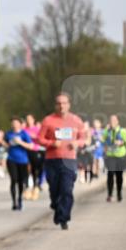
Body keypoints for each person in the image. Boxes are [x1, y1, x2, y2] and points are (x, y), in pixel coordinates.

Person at [38, 92, 86, 230]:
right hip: (52, 160)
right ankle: (56, 206)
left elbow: (84, 138)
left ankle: (63, 218)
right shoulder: (48, 120)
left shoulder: (76, 120)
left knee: (66, 189)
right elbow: (39, 139)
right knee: (54, 190)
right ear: (55, 105)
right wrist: (52, 143)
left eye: (64, 103)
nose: (61, 106)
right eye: (59, 103)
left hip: (69, 160)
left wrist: (77, 143)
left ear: (69, 105)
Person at [4, 116, 36, 210]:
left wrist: (20, 142)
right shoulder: (8, 134)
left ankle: (20, 200)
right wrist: (5, 143)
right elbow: (5, 144)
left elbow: (31, 146)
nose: (13, 124)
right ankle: (14, 202)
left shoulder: (24, 134)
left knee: (21, 182)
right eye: (12, 123)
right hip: (11, 159)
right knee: (13, 180)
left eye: (15, 122)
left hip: (23, 160)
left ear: (19, 124)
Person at [103, 114, 126, 202]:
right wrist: (105, 145)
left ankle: (119, 193)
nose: (112, 122)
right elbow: (102, 140)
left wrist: (122, 142)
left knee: (119, 175)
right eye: (110, 120)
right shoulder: (107, 131)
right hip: (110, 156)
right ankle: (110, 195)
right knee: (110, 174)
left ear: (117, 121)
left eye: (114, 120)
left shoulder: (122, 131)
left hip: (120, 156)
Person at [24, 114, 44, 200]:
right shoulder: (24, 130)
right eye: (27, 119)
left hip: (35, 150)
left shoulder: (37, 129)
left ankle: (36, 187)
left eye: (30, 119)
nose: (28, 121)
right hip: (25, 151)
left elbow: (41, 139)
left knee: (35, 170)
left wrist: (34, 136)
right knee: (26, 169)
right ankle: (27, 187)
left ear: (33, 120)